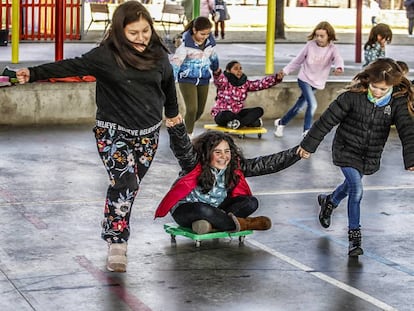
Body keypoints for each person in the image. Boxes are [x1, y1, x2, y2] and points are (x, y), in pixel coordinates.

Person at [16, 1, 182, 273]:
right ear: (119, 32)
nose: (141, 38)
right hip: (112, 131)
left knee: (130, 187)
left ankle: (114, 228)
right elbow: (71, 66)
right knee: (124, 182)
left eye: (145, 31)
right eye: (133, 33)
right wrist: (33, 73)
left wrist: (173, 114)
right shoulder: (106, 56)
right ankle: (117, 242)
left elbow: (168, 86)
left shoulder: (158, 55)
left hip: (148, 135)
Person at [297, 58, 414, 257]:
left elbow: (407, 130)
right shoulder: (352, 96)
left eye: (383, 89)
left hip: (370, 153)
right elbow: (326, 121)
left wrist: (411, 158)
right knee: (357, 190)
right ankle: (354, 238)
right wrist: (308, 145)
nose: (377, 92)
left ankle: (329, 201)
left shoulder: (397, 102)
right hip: (346, 148)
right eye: (374, 87)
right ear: (368, 81)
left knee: (352, 184)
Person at [154, 119, 302, 234]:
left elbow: (266, 164)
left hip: (217, 209)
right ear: (207, 154)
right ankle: (245, 223)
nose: (223, 157)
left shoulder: (234, 165)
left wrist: (297, 153)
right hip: (187, 210)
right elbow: (183, 149)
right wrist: (176, 128)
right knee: (204, 210)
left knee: (251, 202)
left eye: (227, 151)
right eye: (217, 152)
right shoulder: (194, 164)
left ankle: (212, 225)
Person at [273, 21, 344, 138]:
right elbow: (298, 60)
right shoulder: (310, 45)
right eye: (317, 35)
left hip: (316, 82)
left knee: (299, 106)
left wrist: (339, 68)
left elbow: (338, 59)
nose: (319, 38)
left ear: (329, 36)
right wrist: (285, 71)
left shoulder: (332, 49)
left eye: (322, 36)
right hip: (304, 78)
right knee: (313, 104)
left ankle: (281, 123)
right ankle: (307, 131)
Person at [170, 16, 219, 137]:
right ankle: (187, 137)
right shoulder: (185, 46)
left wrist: (216, 69)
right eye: (202, 34)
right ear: (194, 30)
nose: (205, 37)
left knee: (200, 110)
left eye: (208, 34)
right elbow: (176, 64)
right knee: (192, 109)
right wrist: (170, 80)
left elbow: (213, 57)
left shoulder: (209, 44)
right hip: (187, 79)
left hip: (204, 79)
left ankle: (181, 129)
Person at [211, 60, 282, 129]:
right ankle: (249, 122)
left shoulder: (245, 84)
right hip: (223, 114)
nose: (239, 71)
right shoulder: (224, 83)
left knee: (259, 110)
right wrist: (217, 73)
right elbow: (219, 80)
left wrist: (275, 79)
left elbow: (260, 84)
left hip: (237, 113)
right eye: (236, 69)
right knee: (226, 114)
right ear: (228, 71)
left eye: (240, 68)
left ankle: (238, 124)